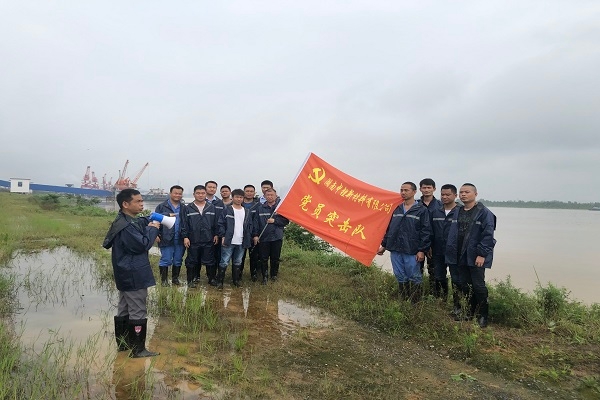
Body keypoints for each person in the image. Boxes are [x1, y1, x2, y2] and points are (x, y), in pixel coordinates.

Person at [102, 188, 160, 358]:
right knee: (138, 309)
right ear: (125, 204)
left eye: (142, 201)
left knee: (124, 308)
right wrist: (153, 228)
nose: (142, 204)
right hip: (134, 273)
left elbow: (140, 222)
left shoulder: (124, 220)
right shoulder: (127, 227)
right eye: (138, 201)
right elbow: (143, 245)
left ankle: (124, 345)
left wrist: (154, 219)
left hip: (125, 272)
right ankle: (138, 350)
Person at [445, 183, 496, 328]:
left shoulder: (484, 213)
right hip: (459, 254)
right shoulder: (458, 211)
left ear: (475, 194)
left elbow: (488, 236)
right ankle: (470, 312)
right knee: (465, 285)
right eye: (461, 192)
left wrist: (482, 254)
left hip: (475, 255)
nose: (463, 194)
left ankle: (483, 315)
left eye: (467, 192)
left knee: (478, 285)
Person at [377, 182, 431, 303]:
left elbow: (426, 232)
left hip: (411, 249)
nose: (403, 192)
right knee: (399, 275)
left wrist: (422, 250)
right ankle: (403, 300)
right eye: (401, 190)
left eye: (406, 190)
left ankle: (416, 302)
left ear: (414, 192)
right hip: (395, 248)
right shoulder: (396, 208)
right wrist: (384, 245)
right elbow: (389, 229)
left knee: (414, 276)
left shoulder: (421, 210)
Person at [181, 185, 219, 288]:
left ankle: (211, 279)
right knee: (192, 260)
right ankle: (191, 280)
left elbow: (216, 223)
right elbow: (184, 224)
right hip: (193, 239)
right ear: (194, 194)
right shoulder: (187, 208)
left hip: (208, 238)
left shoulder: (211, 207)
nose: (200, 195)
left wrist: (216, 234)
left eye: (203, 193)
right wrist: (185, 237)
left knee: (210, 260)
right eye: (198, 193)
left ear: (206, 194)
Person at [430, 184, 460, 310]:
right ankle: (441, 302)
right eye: (442, 194)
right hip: (438, 250)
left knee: (456, 279)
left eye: (448, 195)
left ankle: (457, 306)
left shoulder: (461, 211)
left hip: (455, 251)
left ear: (455, 195)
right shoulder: (436, 211)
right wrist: (429, 246)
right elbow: (430, 231)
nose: (444, 197)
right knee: (438, 277)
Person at [217, 189, 254, 288]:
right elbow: (221, 224)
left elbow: (250, 225)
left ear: (243, 198)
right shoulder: (227, 210)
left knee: (238, 261)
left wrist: (248, 236)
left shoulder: (246, 211)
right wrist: (223, 236)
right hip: (228, 240)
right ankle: (220, 282)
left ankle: (236, 281)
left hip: (241, 241)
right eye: (237, 197)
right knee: (224, 261)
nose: (239, 199)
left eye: (241, 197)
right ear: (232, 198)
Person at [253, 188, 289, 284]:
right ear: (264, 196)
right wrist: (255, 235)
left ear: (275, 196)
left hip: (276, 237)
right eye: (267, 195)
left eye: (271, 195)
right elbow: (255, 223)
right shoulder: (260, 208)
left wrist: (275, 221)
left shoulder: (280, 208)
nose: (270, 197)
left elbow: (286, 221)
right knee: (263, 258)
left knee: (275, 258)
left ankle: (274, 275)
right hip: (263, 237)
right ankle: (264, 277)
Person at [154, 185, 185, 286]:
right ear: (170, 193)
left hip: (180, 237)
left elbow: (186, 222)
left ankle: (175, 279)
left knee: (178, 260)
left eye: (180, 194)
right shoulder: (161, 206)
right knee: (166, 259)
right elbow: (155, 220)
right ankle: (164, 281)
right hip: (165, 237)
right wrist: (156, 234)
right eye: (175, 193)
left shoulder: (184, 207)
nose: (177, 195)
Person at [418, 178, 443, 295]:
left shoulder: (441, 205)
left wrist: (431, 245)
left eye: (429, 187)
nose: (426, 190)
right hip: (418, 244)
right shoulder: (416, 205)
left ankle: (435, 295)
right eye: (424, 187)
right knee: (417, 270)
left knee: (434, 271)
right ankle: (417, 294)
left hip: (436, 245)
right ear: (420, 189)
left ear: (434, 189)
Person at [240, 184, 261, 281]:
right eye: (247, 191)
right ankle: (238, 275)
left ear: (254, 193)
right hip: (241, 235)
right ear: (244, 192)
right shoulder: (238, 204)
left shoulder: (258, 205)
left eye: (251, 191)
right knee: (240, 256)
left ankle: (254, 275)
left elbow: (258, 221)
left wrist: (256, 234)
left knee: (254, 256)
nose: (249, 193)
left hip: (254, 235)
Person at [205, 180, 225, 275]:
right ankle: (197, 277)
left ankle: (214, 276)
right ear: (205, 188)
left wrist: (218, 233)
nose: (212, 189)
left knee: (217, 255)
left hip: (217, 234)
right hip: (203, 233)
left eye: (214, 187)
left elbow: (222, 219)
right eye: (210, 187)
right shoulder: (200, 201)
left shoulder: (220, 203)